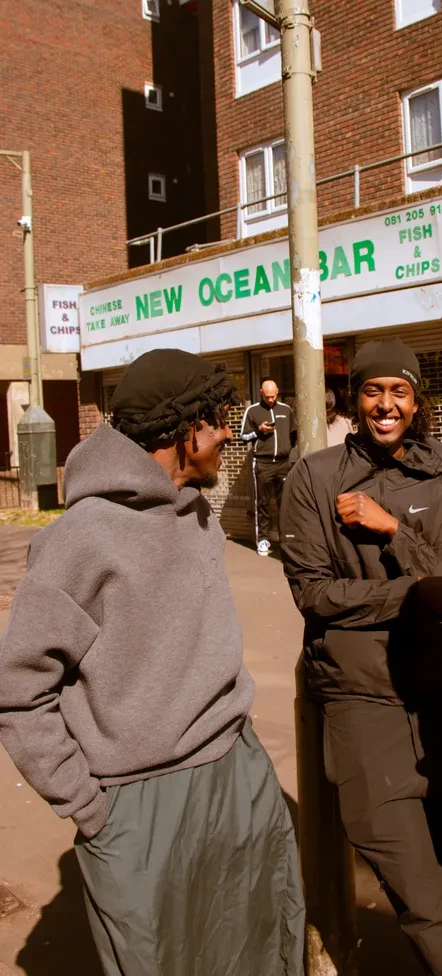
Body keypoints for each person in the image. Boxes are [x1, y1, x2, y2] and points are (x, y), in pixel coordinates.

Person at [0, 350, 304, 976]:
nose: (227, 432)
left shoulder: (195, 513)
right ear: (179, 431)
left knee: (261, 951)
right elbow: (20, 689)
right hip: (140, 810)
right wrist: (88, 807)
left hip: (237, 777)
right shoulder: (82, 539)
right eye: (215, 419)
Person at [281, 337, 442, 976]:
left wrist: (391, 530)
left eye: (398, 391)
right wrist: (414, 592)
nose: (385, 404)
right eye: (373, 391)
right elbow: (314, 595)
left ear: (415, 400)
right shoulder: (314, 477)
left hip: (440, 697)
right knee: (420, 891)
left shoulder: (441, 471)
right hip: (361, 699)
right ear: (355, 399)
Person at [241, 379, 296, 555]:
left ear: (277, 392)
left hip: (283, 462)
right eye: (267, 396)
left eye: (273, 396)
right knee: (262, 502)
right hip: (263, 463)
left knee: (285, 502)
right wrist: (259, 431)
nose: (271, 399)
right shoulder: (253, 410)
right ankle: (263, 539)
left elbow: (293, 434)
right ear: (261, 392)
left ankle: (286, 539)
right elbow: (243, 436)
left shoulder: (286, 410)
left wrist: (286, 449)